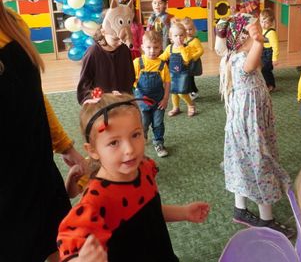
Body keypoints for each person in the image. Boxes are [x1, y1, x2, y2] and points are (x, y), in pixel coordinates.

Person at [0, 0, 86, 261]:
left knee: (58, 247)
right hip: (6, 189)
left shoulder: (15, 25)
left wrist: (66, 147)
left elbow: (33, 99)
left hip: (37, 169)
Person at [57, 92, 210, 262]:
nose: (129, 149)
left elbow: (149, 212)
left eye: (135, 135)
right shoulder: (94, 201)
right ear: (93, 150)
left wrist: (183, 212)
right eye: (114, 142)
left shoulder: (144, 168)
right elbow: (69, 248)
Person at [215, 13, 293, 238]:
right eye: (252, 31)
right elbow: (252, 63)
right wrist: (258, 41)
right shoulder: (241, 60)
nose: (258, 33)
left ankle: (240, 209)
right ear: (241, 39)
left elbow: (257, 62)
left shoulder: (235, 55)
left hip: (248, 122)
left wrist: (256, 40)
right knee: (259, 162)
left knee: (242, 161)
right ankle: (266, 219)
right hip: (250, 124)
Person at [77, 1, 136, 104]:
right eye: (115, 39)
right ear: (103, 32)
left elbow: (129, 75)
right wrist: (90, 99)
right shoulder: (93, 53)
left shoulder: (124, 49)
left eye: (122, 39)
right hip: (101, 103)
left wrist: (126, 95)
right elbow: (85, 83)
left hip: (122, 101)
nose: (120, 43)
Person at [133, 31, 171, 158]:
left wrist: (165, 99)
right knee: (143, 123)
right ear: (142, 47)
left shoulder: (162, 65)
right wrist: (136, 98)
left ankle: (159, 143)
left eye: (156, 47)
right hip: (142, 101)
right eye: (148, 47)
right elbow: (132, 82)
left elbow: (167, 83)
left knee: (158, 123)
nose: (152, 51)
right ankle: (141, 138)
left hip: (158, 101)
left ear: (160, 48)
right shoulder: (137, 63)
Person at [160, 20, 196, 117]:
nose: (179, 38)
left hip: (183, 74)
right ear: (171, 37)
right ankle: (176, 107)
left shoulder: (187, 48)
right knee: (173, 92)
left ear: (185, 36)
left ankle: (191, 105)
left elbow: (187, 59)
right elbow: (163, 57)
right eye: (175, 36)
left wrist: (181, 48)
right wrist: (155, 59)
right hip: (172, 73)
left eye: (181, 35)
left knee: (182, 92)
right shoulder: (169, 48)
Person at [181, 17, 204, 100]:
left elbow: (201, 50)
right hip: (185, 62)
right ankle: (190, 90)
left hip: (193, 62)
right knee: (187, 77)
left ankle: (193, 91)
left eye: (190, 29)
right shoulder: (183, 39)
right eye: (186, 30)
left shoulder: (195, 40)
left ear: (194, 29)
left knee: (189, 77)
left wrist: (194, 57)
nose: (188, 32)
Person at [260, 8, 279, 91]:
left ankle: (271, 85)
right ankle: (266, 82)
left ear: (271, 22)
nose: (263, 24)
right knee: (263, 69)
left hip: (269, 53)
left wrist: (274, 59)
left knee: (266, 70)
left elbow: (275, 47)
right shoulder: (264, 30)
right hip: (264, 52)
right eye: (261, 22)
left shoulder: (271, 33)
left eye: (266, 22)